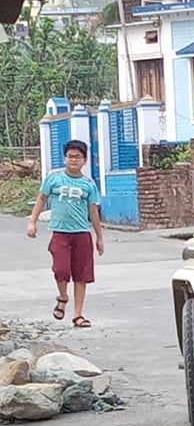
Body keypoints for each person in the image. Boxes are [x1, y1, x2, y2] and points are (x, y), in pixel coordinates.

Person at [25, 140, 105, 328]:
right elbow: (42, 198)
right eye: (70, 156)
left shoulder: (88, 184)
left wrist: (99, 237)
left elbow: (93, 211)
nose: (74, 160)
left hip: (82, 233)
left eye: (78, 157)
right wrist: (32, 222)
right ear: (64, 158)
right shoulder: (54, 178)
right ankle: (62, 296)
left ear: (84, 160)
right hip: (60, 233)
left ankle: (78, 315)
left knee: (81, 275)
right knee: (60, 270)